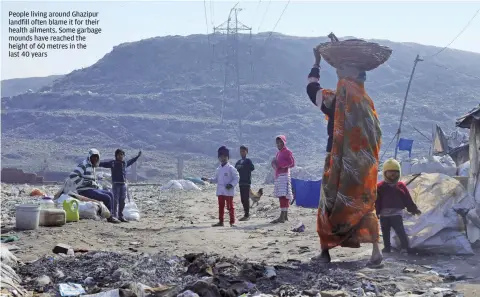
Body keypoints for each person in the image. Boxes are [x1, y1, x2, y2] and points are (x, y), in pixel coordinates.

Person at [307, 48, 384, 266]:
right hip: (363, 165)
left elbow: (312, 90)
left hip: (337, 160)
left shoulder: (337, 99)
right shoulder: (366, 103)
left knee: (329, 204)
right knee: (365, 203)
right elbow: (375, 133)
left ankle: (325, 253)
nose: (339, 72)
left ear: (350, 74)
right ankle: (376, 252)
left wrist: (316, 63)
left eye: (342, 69)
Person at [376, 159, 421, 253]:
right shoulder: (379, 187)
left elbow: (407, 199)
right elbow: (377, 201)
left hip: (397, 214)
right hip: (384, 215)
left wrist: (413, 209)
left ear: (399, 173)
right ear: (385, 173)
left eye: (395, 172)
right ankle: (387, 248)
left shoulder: (401, 186)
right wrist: (376, 212)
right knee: (385, 232)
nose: (393, 174)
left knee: (400, 231)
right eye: (390, 172)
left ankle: (405, 247)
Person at [69, 148, 119, 224]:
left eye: (97, 157)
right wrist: (84, 182)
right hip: (84, 190)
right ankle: (109, 217)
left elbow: (92, 180)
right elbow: (73, 175)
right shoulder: (84, 165)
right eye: (93, 157)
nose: (95, 158)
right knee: (107, 198)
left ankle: (112, 215)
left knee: (110, 194)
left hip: (91, 189)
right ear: (89, 157)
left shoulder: (92, 166)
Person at [99, 149, 142, 222]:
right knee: (115, 201)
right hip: (116, 184)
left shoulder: (124, 163)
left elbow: (131, 161)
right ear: (116, 156)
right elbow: (103, 164)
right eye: (119, 154)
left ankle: (120, 216)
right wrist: (95, 162)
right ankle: (114, 216)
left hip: (123, 185)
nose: (120, 156)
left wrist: (137, 156)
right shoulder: (113, 163)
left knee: (122, 201)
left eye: (122, 154)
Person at [202, 146, 240, 227]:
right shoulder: (218, 169)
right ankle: (221, 221)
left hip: (228, 191)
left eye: (224, 156)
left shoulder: (231, 168)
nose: (222, 158)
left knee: (230, 207)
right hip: (220, 191)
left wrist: (231, 184)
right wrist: (208, 180)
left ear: (227, 157)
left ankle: (232, 222)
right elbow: (216, 179)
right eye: (221, 156)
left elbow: (236, 178)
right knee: (221, 207)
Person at [271, 135, 295, 224]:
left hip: (284, 176)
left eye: (281, 142)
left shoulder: (287, 152)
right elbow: (277, 166)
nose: (279, 144)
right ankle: (284, 216)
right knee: (283, 196)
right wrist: (274, 164)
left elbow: (292, 163)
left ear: (284, 142)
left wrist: (280, 164)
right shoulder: (278, 153)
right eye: (277, 143)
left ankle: (282, 216)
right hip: (279, 176)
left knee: (283, 196)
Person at [235, 145, 255, 221]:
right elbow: (235, 169)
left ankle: (247, 215)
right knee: (242, 199)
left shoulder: (248, 161)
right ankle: (245, 214)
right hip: (240, 182)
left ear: (246, 152)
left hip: (247, 182)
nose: (242, 153)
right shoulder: (238, 162)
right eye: (241, 151)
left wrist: (243, 166)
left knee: (246, 198)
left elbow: (252, 168)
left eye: (243, 151)